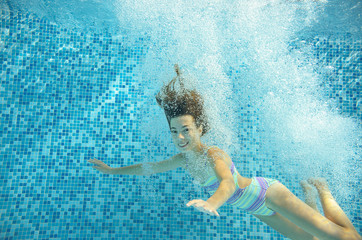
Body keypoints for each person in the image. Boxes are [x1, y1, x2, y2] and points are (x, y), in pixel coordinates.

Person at [88, 65, 361, 240]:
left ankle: (323, 191)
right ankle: (311, 199)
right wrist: (113, 171)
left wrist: (212, 203)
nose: (180, 137)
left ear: (200, 128)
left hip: (268, 194)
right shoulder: (184, 160)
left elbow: (228, 184)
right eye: (173, 132)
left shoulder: (214, 154)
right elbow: (149, 167)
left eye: (185, 129)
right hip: (256, 209)